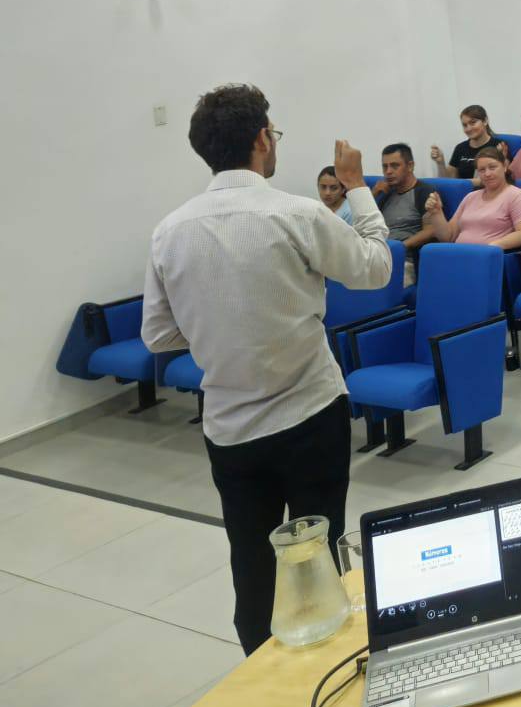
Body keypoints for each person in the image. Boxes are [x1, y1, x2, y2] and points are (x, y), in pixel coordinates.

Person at [141, 85, 392, 654]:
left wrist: (218, 327)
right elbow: (376, 267)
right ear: (261, 139)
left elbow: (157, 335)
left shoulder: (169, 231)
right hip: (310, 415)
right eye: (273, 133)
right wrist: (355, 186)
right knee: (318, 556)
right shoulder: (296, 213)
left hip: (231, 430)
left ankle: (259, 674)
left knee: (252, 564)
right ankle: (328, 668)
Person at [423, 145, 521, 249]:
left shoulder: (518, 196)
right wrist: (436, 213)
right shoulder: (470, 197)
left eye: (492, 167)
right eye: (482, 170)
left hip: (489, 257)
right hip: (459, 255)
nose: (487, 174)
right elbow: (448, 237)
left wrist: (490, 248)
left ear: (505, 167)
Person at [373, 143, 438, 288]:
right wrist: (373, 194)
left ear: (410, 166)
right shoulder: (385, 193)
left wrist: (399, 247)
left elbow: (431, 230)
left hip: (404, 261)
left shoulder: (424, 191)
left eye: (394, 166)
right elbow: (364, 223)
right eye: (385, 166)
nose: (388, 171)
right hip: (378, 257)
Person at [429, 105, 508, 180]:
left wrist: (465, 183)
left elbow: (504, 177)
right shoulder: (460, 148)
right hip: (462, 189)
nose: (468, 129)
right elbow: (449, 181)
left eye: (473, 123)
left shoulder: (499, 145)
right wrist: (440, 163)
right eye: (465, 125)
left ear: (485, 121)